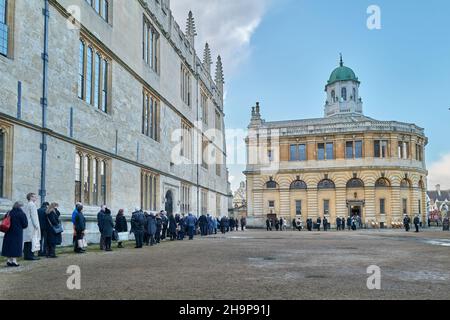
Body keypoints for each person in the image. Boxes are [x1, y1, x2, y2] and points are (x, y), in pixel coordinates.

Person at [2, 202, 28, 267]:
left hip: (8, 231)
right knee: (16, 246)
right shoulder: (21, 214)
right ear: (20, 207)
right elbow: (25, 224)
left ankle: (9, 260)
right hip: (17, 233)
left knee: (9, 245)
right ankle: (14, 261)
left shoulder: (9, 213)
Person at [23, 193, 41, 261]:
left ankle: (26, 255)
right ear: (31, 197)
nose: (36, 198)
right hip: (32, 226)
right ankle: (30, 255)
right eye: (34, 197)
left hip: (27, 225)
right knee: (31, 241)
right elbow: (34, 217)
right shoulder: (32, 205)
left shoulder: (27, 204)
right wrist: (36, 226)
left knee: (27, 241)